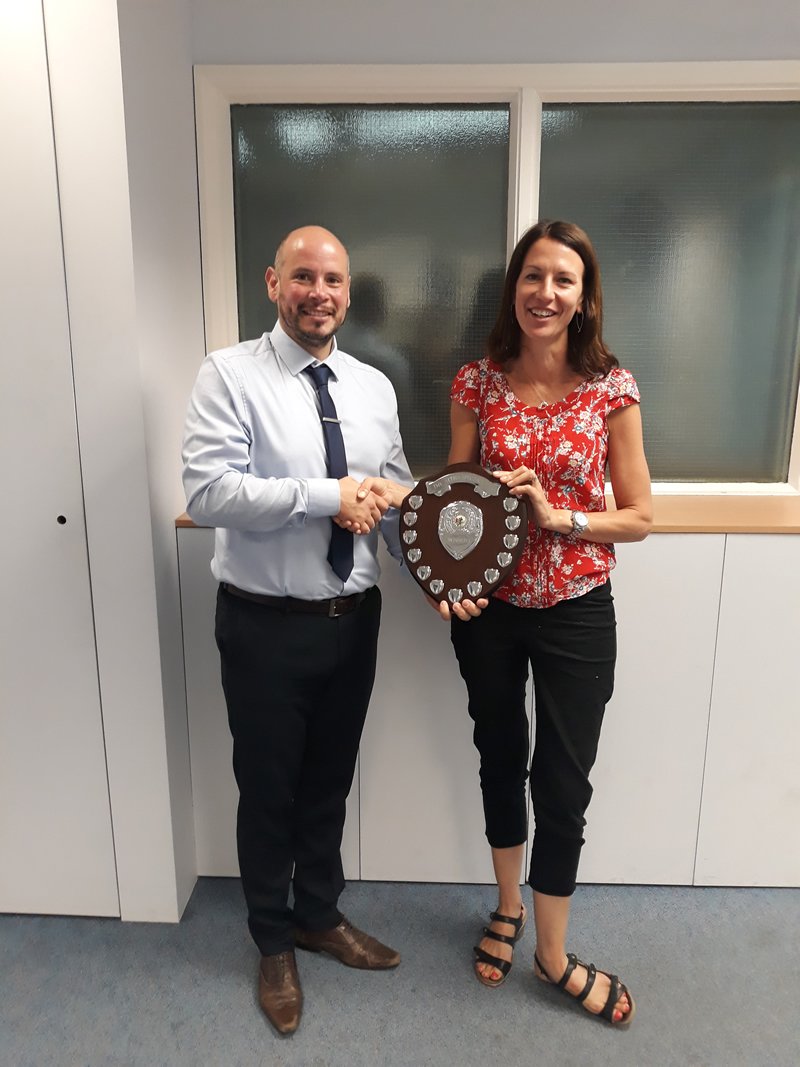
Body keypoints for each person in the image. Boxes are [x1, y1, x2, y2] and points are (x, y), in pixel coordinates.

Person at [361, 219, 651, 1027]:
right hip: (486, 611)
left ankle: (553, 955)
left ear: (585, 296)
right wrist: (436, 575)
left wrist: (559, 516)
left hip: (577, 609)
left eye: (563, 279)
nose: (545, 292)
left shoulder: (612, 388)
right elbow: (455, 496)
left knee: (563, 783)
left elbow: (638, 516)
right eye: (532, 276)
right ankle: (507, 905)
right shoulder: (476, 383)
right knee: (499, 755)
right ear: (513, 289)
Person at [182, 225, 412, 1037]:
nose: (321, 292)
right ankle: (271, 939)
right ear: (274, 283)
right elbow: (209, 490)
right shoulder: (230, 374)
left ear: (350, 292)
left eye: (335, 279)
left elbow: (393, 498)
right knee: (270, 789)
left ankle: (319, 914)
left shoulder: (373, 386)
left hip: (354, 621)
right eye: (304, 276)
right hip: (264, 626)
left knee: (328, 783)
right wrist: (325, 495)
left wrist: (447, 569)